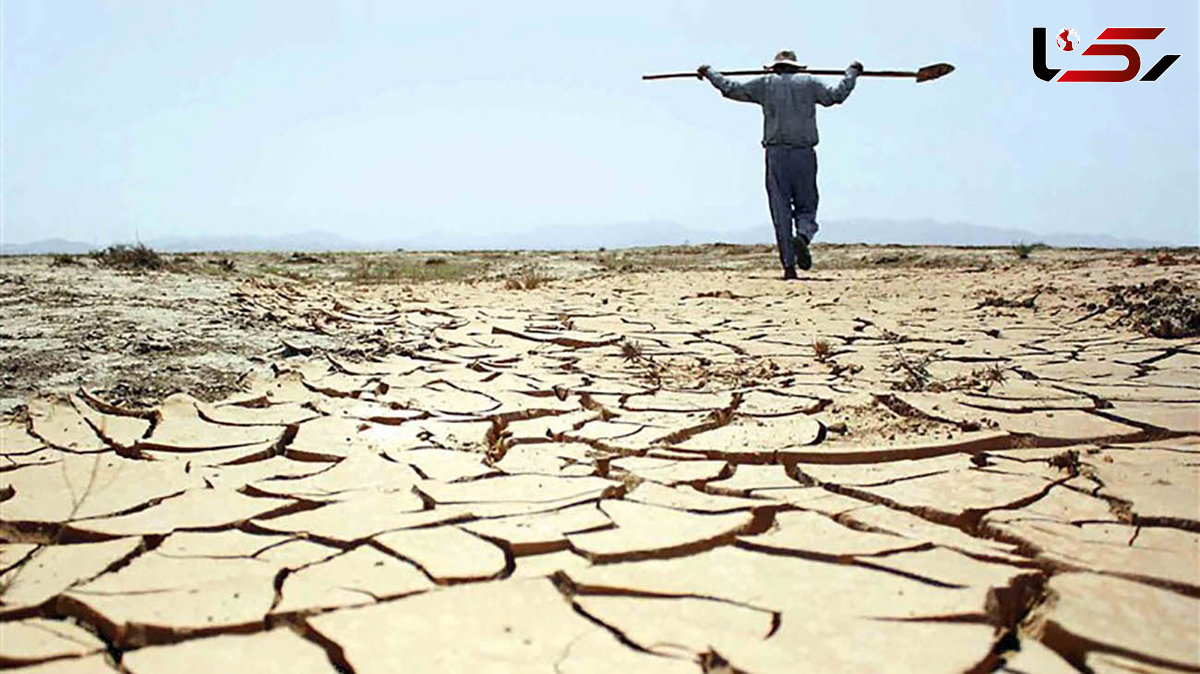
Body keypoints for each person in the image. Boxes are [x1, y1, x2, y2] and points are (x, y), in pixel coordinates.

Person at [698, 50, 863, 279]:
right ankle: (803, 236)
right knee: (807, 206)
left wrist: (709, 72)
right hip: (804, 153)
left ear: (775, 67)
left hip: (776, 155)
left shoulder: (766, 84)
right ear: (797, 67)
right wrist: (852, 72)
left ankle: (788, 266)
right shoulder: (810, 82)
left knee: (780, 210)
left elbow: (730, 88)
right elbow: (836, 95)